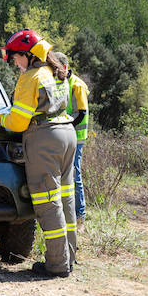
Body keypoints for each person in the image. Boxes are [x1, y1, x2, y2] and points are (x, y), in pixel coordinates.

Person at [0, 30, 77, 277]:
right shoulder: (55, 71)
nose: (15, 62)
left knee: (47, 203)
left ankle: (57, 265)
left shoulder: (31, 78)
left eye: (16, 57)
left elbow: (18, 122)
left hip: (45, 139)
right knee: (65, 198)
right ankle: (69, 257)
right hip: (67, 134)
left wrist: (0, 118)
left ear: (27, 54)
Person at [50, 52, 91, 226]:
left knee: (74, 174)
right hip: (64, 135)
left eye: (57, 68)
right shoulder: (60, 82)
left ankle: (80, 215)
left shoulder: (78, 85)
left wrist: (65, 128)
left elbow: (81, 113)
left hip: (76, 136)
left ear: (64, 67)